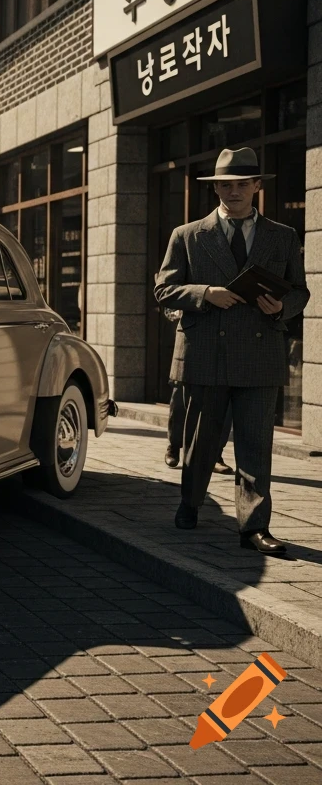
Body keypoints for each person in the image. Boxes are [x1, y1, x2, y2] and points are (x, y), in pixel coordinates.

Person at [156, 147, 310, 556]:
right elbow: (163, 289)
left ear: (257, 186)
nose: (234, 191)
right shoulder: (187, 235)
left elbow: (300, 291)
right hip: (207, 352)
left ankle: (254, 527)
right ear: (215, 190)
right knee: (202, 441)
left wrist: (282, 307)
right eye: (226, 185)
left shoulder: (283, 236)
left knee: (256, 445)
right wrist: (206, 293)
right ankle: (190, 503)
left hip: (260, 356)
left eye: (243, 184)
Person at [163, 307, 233, 473]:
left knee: (225, 403)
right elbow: (169, 305)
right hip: (192, 340)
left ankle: (216, 455)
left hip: (226, 341)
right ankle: (174, 446)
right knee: (180, 400)